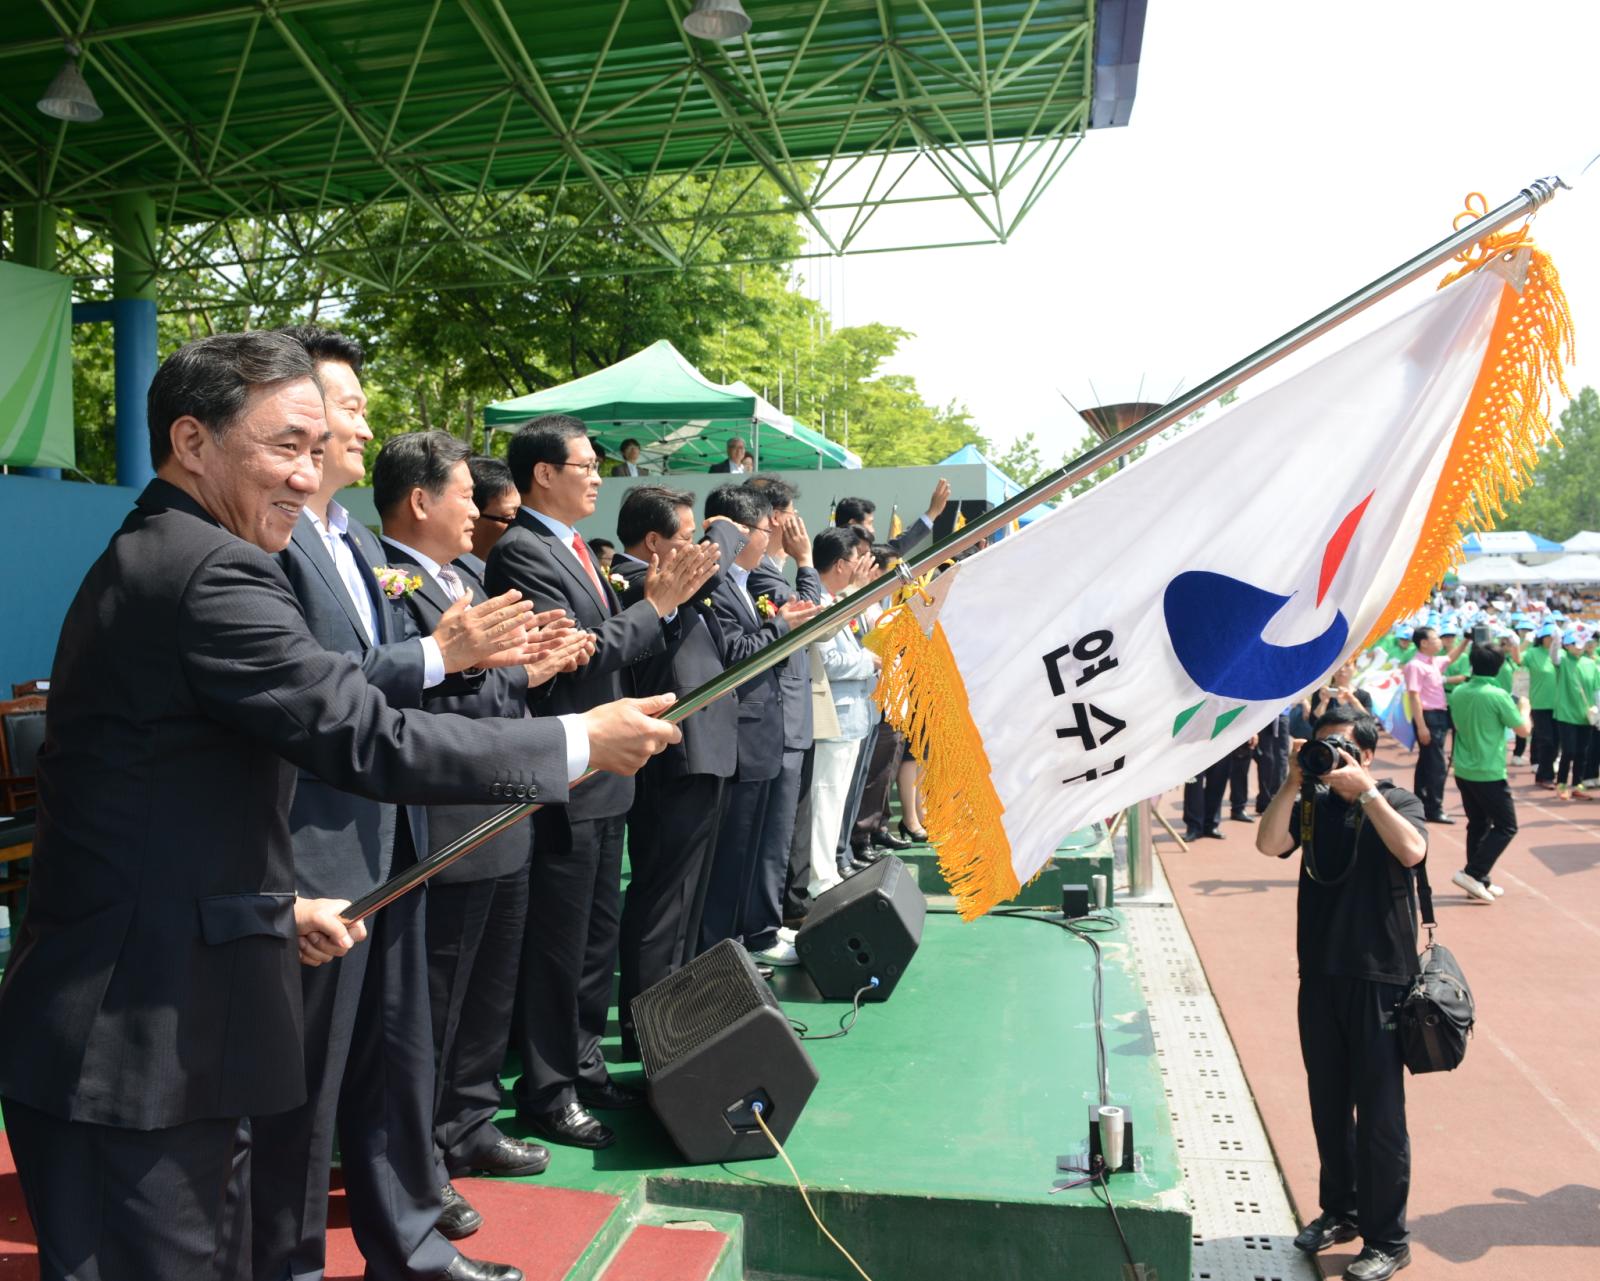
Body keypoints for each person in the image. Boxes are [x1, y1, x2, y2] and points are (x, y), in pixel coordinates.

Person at [0, 331, 678, 1281]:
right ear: (192, 442)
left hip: (173, 1012)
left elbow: (156, 807)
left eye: (318, 450)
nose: (308, 474)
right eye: (286, 446)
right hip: (137, 1047)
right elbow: (364, 731)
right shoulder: (207, 570)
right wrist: (576, 742)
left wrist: (277, 907)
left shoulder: (181, 550)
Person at [253, 328, 556, 1281]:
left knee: (395, 1063)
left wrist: (490, 659)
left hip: (393, 838)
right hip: (317, 848)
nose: (357, 425)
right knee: (302, 1099)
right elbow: (315, 687)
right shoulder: (272, 537)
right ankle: (291, 1261)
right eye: (345, 407)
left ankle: (414, 1248)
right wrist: (439, 654)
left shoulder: (344, 542)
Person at [374, 433, 592, 1233]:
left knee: (486, 993)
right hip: (443, 819)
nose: (480, 510)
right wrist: (494, 670)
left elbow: (498, 684)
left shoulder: (469, 577)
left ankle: (469, 1121)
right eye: (466, 495)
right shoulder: (383, 585)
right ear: (421, 501)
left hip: (502, 810)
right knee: (435, 1000)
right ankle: (422, 1154)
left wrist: (533, 667)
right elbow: (396, 708)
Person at [487, 415, 719, 1151]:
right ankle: (547, 1087)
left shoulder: (579, 548)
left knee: (593, 938)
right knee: (558, 941)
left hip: (603, 774)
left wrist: (658, 609)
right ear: (543, 474)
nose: (597, 473)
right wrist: (655, 607)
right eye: (584, 463)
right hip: (566, 769)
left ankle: (583, 1061)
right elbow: (579, 654)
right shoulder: (522, 551)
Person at [1256, 704, 1428, 1281]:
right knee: (1328, 1105)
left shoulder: (1397, 800)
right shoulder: (1312, 805)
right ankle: (1342, 1210)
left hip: (1381, 980)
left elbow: (1411, 851)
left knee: (1380, 1116)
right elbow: (1267, 844)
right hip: (1321, 976)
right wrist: (1292, 780)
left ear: (1369, 756)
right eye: (1322, 747)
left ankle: (1388, 1238)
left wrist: (1367, 794)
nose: (1331, 758)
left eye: (1342, 750)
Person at [611, 486, 737, 1056]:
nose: (698, 546)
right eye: (686, 536)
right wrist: (726, 534)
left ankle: (672, 1015)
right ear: (655, 540)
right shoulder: (636, 581)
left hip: (703, 749)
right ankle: (649, 1029)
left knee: (686, 898)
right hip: (676, 754)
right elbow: (728, 552)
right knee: (663, 898)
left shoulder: (676, 581)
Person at [697, 484, 818, 959]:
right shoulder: (739, 580)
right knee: (742, 850)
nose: (774, 537)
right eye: (770, 527)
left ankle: (751, 933)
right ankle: (747, 936)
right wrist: (804, 563)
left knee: (759, 843)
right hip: (748, 731)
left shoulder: (749, 581)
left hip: (768, 725)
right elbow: (803, 618)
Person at [741, 477, 823, 946]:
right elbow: (814, 619)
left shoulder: (770, 569)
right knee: (769, 839)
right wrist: (807, 562)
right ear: (775, 517)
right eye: (789, 513)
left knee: (779, 833)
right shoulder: (761, 574)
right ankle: (763, 929)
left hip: (790, 716)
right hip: (777, 719)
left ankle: (766, 923)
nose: (795, 524)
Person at [806, 528, 883, 898]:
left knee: (836, 800)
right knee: (825, 800)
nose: (859, 568)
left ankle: (829, 871)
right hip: (834, 718)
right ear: (840, 564)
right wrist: (868, 661)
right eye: (855, 560)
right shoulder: (819, 601)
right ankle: (820, 878)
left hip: (852, 716)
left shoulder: (836, 599)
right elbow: (831, 662)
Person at [1447, 643, 1533, 902]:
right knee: (1506, 826)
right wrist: (1525, 707)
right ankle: (1473, 872)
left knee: (1479, 824)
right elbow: (1523, 730)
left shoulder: (1459, 691)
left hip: (1464, 767)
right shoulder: (1496, 695)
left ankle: (1478, 880)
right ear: (1498, 667)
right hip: (1488, 770)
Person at [1401, 626, 1463, 823]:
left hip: (1438, 715)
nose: (1440, 642)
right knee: (1437, 765)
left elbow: (1451, 657)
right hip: (1428, 717)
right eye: (1436, 639)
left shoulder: (1433, 662)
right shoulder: (1415, 665)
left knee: (1426, 762)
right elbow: (1414, 696)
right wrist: (1421, 726)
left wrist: (1466, 641)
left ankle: (1420, 803)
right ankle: (1434, 809)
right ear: (1424, 643)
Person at [834, 478, 950, 561]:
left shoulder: (869, 556)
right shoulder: (832, 556)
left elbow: (895, 548)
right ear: (853, 525)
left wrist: (933, 513)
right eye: (869, 523)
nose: (872, 530)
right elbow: (898, 547)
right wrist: (932, 512)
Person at [1552, 628, 1592, 801]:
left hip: (1586, 715)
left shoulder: (1590, 664)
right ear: (1567, 645)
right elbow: (1553, 656)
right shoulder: (1563, 660)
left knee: (1582, 752)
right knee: (1569, 751)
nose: (1579, 647)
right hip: (1566, 713)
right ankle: (1561, 783)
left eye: (1581, 644)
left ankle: (1577, 784)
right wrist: (1556, 639)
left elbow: (1597, 689)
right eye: (1575, 644)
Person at [466, 455, 521, 568]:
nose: (521, 527)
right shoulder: (450, 578)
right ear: (473, 515)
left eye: (520, 513)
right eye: (509, 516)